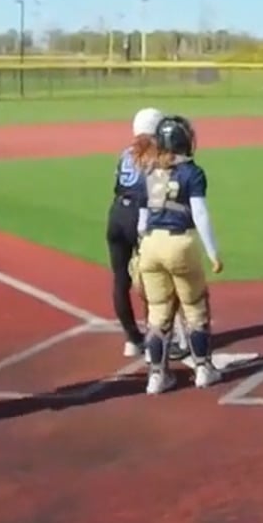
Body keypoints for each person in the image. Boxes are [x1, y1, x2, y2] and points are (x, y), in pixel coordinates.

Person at [134, 114, 236, 393]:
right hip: (180, 245)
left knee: (158, 313)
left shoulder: (149, 172)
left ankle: (157, 376)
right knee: (194, 308)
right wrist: (213, 253)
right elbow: (199, 214)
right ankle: (203, 369)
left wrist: (140, 251)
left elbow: (142, 221)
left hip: (150, 245)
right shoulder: (192, 173)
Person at [108, 108, 188, 360]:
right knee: (153, 279)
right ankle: (159, 340)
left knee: (121, 279)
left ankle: (132, 339)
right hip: (139, 217)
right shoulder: (157, 154)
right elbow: (158, 195)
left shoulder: (125, 153)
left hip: (116, 215)